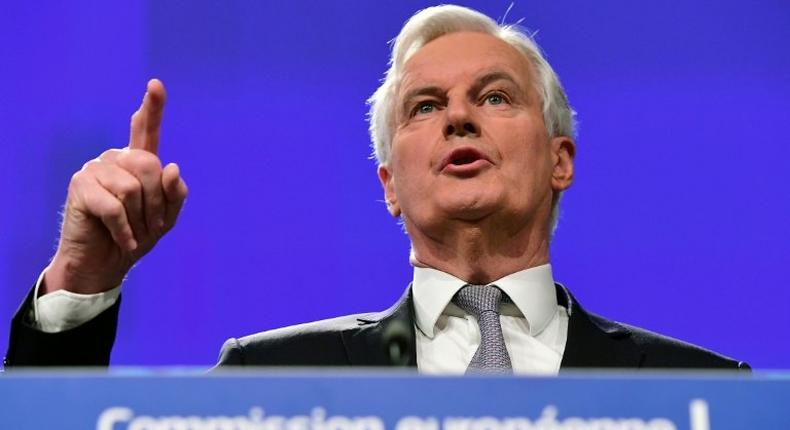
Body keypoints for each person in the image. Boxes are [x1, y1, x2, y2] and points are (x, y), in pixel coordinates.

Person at [5, 5, 748, 373]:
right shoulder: (269, 377)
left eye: (493, 97)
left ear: (561, 160)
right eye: (425, 107)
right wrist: (82, 283)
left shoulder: (708, 390)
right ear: (390, 185)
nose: (458, 115)